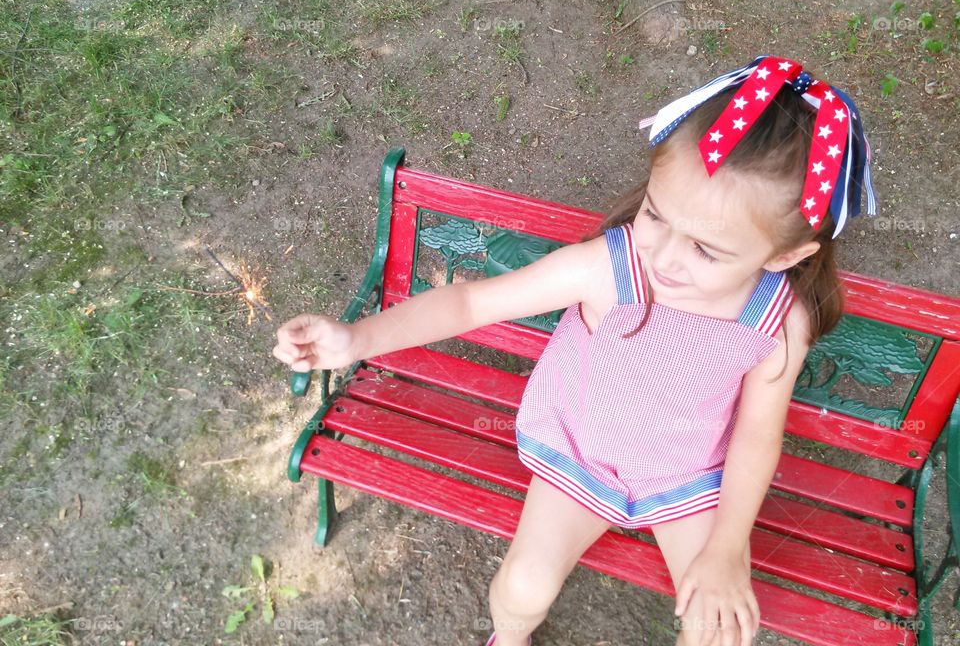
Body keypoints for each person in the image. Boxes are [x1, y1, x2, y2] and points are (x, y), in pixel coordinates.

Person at [272, 54, 877, 646]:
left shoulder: (777, 322)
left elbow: (755, 435)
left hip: (686, 476)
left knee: (718, 630)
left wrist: (725, 550)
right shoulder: (610, 271)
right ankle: (510, 638)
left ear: (782, 256)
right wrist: (355, 339)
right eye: (656, 215)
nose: (664, 257)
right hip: (580, 449)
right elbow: (469, 305)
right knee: (523, 586)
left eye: (706, 251)